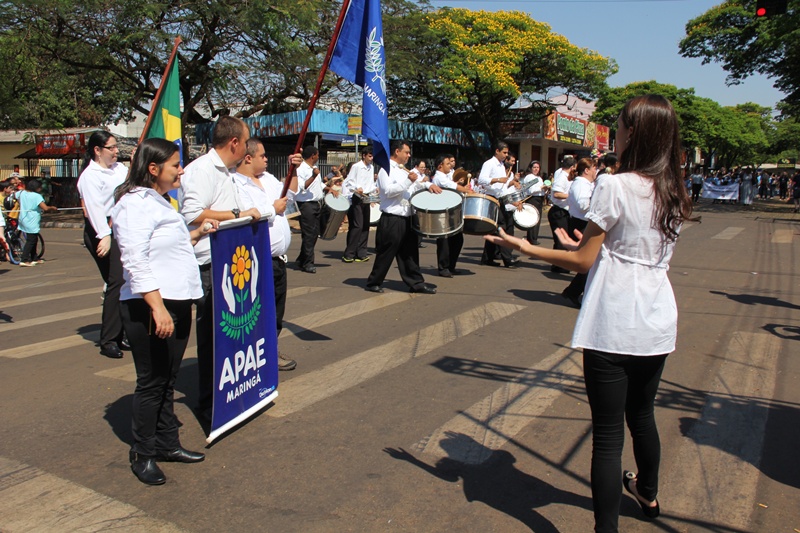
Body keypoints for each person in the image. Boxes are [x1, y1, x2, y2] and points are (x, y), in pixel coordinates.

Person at [486, 95, 694, 532]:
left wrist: (527, 246)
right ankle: (649, 493)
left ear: (633, 132)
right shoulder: (674, 189)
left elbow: (583, 260)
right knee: (643, 415)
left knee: (608, 434)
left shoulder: (616, 185)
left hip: (615, 318)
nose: (613, 131)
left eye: (618, 125)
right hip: (657, 316)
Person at [112, 138, 215, 485]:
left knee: (167, 379)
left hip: (176, 301)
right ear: (153, 169)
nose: (181, 170)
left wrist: (197, 233)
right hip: (149, 306)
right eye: (175, 165)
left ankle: (168, 443)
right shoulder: (134, 204)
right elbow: (135, 260)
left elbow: (167, 249)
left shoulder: (160, 202)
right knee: (152, 381)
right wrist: (157, 308)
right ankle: (143, 452)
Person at [179, 116, 262, 424]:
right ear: (234, 143)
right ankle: (210, 402)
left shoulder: (228, 172)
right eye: (247, 140)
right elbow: (192, 214)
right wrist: (238, 214)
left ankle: (234, 391)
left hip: (233, 261)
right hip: (210, 264)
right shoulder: (202, 170)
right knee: (215, 339)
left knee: (236, 337)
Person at [233, 138, 301, 371]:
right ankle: (254, 356)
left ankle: (270, 350)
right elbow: (246, 216)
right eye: (262, 155)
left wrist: (295, 169)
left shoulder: (268, 179)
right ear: (248, 157)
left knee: (275, 312)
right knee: (257, 313)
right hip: (256, 260)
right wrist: (272, 210)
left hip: (278, 260)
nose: (267, 159)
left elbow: (290, 196)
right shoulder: (235, 184)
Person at [77, 131, 130, 359]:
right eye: (111, 148)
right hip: (101, 231)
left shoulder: (119, 169)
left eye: (116, 147)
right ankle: (108, 340)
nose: (116, 151)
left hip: (119, 227)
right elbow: (95, 209)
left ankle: (120, 334)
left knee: (125, 280)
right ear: (97, 150)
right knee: (115, 280)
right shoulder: (90, 176)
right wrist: (104, 235)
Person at [365, 140, 441, 294]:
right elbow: (387, 191)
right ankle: (374, 281)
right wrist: (408, 181)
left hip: (407, 217)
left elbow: (417, 184)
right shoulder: (385, 170)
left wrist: (428, 185)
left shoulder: (403, 170)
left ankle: (416, 283)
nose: (409, 155)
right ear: (397, 152)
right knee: (386, 252)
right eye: (406, 152)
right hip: (392, 218)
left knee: (410, 253)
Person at [294, 146, 339, 273]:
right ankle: (308, 263)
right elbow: (302, 187)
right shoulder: (301, 169)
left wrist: (329, 189)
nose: (319, 156)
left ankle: (301, 259)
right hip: (306, 205)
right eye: (318, 154)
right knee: (309, 234)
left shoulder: (314, 169)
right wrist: (313, 176)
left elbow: (319, 184)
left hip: (316, 204)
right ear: (313, 155)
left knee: (314, 234)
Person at [560, 158, 598, 308]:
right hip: (580, 224)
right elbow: (583, 205)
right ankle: (572, 292)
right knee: (588, 262)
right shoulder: (580, 184)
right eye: (594, 168)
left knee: (591, 262)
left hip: (585, 223)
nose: (596, 171)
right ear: (586, 170)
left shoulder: (587, 184)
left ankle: (575, 291)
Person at [478, 142, 519, 268]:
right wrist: (497, 180)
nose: (506, 155)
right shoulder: (489, 164)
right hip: (492, 197)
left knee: (494, 227)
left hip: (501, 198)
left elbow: (503, 186)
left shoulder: (501, 165)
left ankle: (487, 257)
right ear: (497, 151)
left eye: (507, 153)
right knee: (502, 227)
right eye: (504, 152)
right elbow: (481, 180)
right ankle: (507, 258)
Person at [431, 153, 469, 277]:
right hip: (443, 211)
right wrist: (466, 189)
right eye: (447, 163)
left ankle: (451, 265)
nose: (450, 165)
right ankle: (443, 267)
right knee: (444, 241)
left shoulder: (447, 176)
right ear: (440, 165)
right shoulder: (439, 177)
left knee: (457, 239)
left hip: (452, 210)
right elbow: (452, 186)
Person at [341, 146, 376, 263]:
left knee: (366, 225)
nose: (371, 158)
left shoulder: (371, 168)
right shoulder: (356, 167)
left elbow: (370, 183)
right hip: (357, 197)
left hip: (366, 197)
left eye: (372, 156)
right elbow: (349, 182)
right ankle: (349, 253)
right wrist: (357, 188)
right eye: (370, 156)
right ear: (364, 156)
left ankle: (361, 253)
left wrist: (374, 191)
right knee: (358, 226)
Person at [16, 179, 57, 267]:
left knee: (33, 239)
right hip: (32, 220)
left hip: (23, 219)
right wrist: (52, 208)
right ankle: (24, 259)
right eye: (40, 187)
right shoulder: (36, 196)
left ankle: (34, 257)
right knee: (31, 240)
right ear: (36, 188)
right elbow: (45, 208)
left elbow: (15, 196)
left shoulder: (22, 193)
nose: (41, 188)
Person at [548, 155, 576, 273]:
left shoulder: (568, 177)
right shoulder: (562, 177)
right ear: (572, 167)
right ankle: (559, 265)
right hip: (559, 211)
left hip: (564, 211)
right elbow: (557, 194)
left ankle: (558, 264)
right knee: (561, 239)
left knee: (564, 238)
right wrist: (572, 197)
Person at [521, 160, 545, 245]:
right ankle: (531, 238)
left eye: (537, 167)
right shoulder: (529, 177)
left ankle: (534, 237)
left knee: (538, 218)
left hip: (539, 198)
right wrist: (541, 187)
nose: (536, 169)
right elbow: (530, 190)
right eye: (534, 167)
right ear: (530, 168)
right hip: (532, 199)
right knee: (533, 218)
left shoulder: (539, 178)